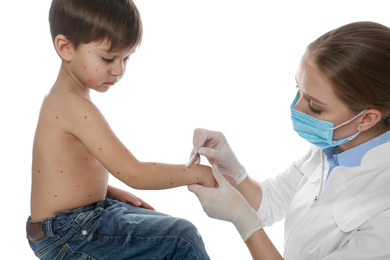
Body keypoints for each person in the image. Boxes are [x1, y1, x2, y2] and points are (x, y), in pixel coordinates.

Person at [26, 0, 216, 259]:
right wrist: (197, 173)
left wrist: (104, 190)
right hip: (67, 232)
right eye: (108, 58)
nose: (119, 70)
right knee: (182, 238)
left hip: (69, 221)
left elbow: (61, 171)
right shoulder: (74, 107)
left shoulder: (62, 97)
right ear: (66, 47)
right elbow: (134, 173)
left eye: (126, 58)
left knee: (155, 225)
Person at [188, 21, 390, 260]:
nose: (296, 107)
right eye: (299, 90)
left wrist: (243, 221)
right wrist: (234, 171)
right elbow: (271, 202)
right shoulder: (332, 148)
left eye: (315, 107)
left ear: (366, 118)